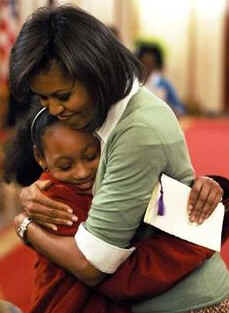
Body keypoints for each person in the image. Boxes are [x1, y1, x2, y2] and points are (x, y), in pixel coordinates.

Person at [9, 5, 229, 312]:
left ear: (95, 72)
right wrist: (35, 191)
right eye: (43, 98)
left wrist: (25, 226)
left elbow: (92, 264)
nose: (54, 109)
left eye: (62, 96)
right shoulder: (95, 111)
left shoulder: (139, 130)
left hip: (185, 304)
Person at [5, 106, 229, 313]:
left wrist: (207, 190)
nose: (82, 172)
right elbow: (125, 277)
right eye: (65, 166)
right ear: (40, 158)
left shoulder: (120, 172)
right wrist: (200, 240)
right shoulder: (54, 203)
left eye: (91, 156)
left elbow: (167, 198)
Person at [136, 43, 186, 117]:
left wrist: (171, 109)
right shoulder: (134, 83)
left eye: (150, 63)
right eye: (144, 62)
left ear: (156, 64)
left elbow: (180, 109)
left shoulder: (164, 84)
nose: (147, 66)